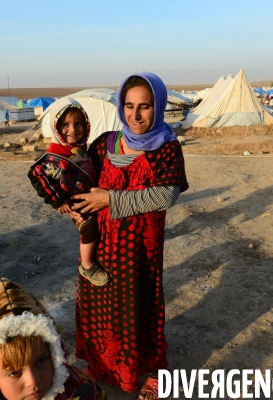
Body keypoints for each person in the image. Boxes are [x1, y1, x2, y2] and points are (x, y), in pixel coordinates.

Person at [71, 72, 188, 399]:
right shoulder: (105, 144)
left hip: (139, 250)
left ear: (159, 107)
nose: (136, 116)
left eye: (145, 107)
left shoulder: (167, 148)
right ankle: (103, 365)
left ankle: (153, 371)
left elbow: (165, 196)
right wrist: (71, 206)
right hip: (100, 245)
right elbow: (81, 181)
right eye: (129, 106)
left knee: (139, 308)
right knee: (99, 307)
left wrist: (109, 199)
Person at [0, 278, 108, 400]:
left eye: (41, 361)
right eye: (14, 372)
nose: (32, 381)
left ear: (55, 352)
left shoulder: (81, 391)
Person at [28, 98, 109, 286]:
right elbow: (36, 174)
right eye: (65, 124)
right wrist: (58, 201)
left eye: (78, 123)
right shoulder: (55, 156)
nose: (72, 130)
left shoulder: (81, 149)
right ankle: (87, 265)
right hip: (77, 203)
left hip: (91, 197)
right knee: (89, 227)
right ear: (55, 127)